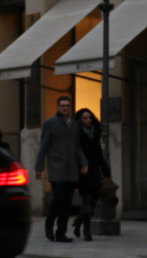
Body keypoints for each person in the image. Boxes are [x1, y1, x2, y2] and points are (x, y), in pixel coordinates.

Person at [34, 95, 88, 242]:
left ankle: (61, 232)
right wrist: (39, 167)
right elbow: (43, 146)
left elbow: (77, 147)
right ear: (57, 107)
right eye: (62, 106)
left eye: (67, 106)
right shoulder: (50, 123)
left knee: (67, 202)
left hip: (72, 169)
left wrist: (84, 163)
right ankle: (49, 223)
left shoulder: (75, 125)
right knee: (59, 198)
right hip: (57, 168)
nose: (65, 108)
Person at [71, 108, 110, 241]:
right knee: (87, 199)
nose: (88, 120)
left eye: (89, 117)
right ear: (79, 120)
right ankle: (86, 230)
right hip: (81, 170)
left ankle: (79, 221)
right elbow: (74, 151)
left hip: (93, 170)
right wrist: (81, 165)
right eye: (84, 118)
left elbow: (99, 153)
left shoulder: (96, 132)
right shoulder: (76, 133)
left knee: (93, 200)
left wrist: (106, 172)